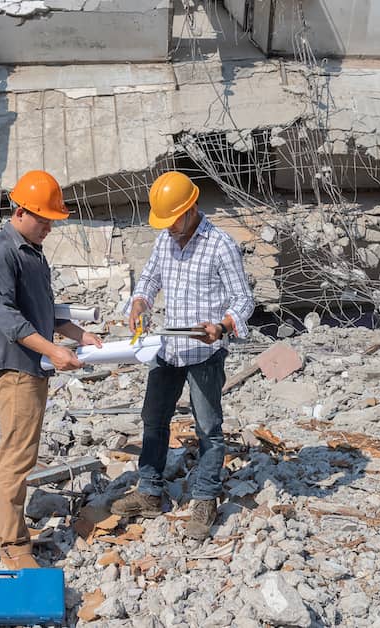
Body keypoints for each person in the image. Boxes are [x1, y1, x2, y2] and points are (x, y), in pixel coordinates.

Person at [110, 171, 255, 540]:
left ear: (190, 208)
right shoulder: (165, 239)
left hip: (204, 351)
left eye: (173, 219)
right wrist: (140, 300)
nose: (169, 227)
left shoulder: (221, 245)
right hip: (168, 348)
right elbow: (149, 279)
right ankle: (149, 491)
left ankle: (205, 496)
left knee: (208, 427)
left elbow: (243, 300)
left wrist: (222, 327)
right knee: (153, 419)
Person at [0, 169, 102, 569]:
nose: (49, 226)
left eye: (52, 219)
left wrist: (78, 335)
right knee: (15, 455)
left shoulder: (31, 252)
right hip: (13, 366)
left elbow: (43, 311)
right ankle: (11, 545)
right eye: (44, 218)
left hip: (31, 364)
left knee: (21, 452)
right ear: (21, 211)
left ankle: (10, 534)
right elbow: (8, 317)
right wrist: (54, 351)